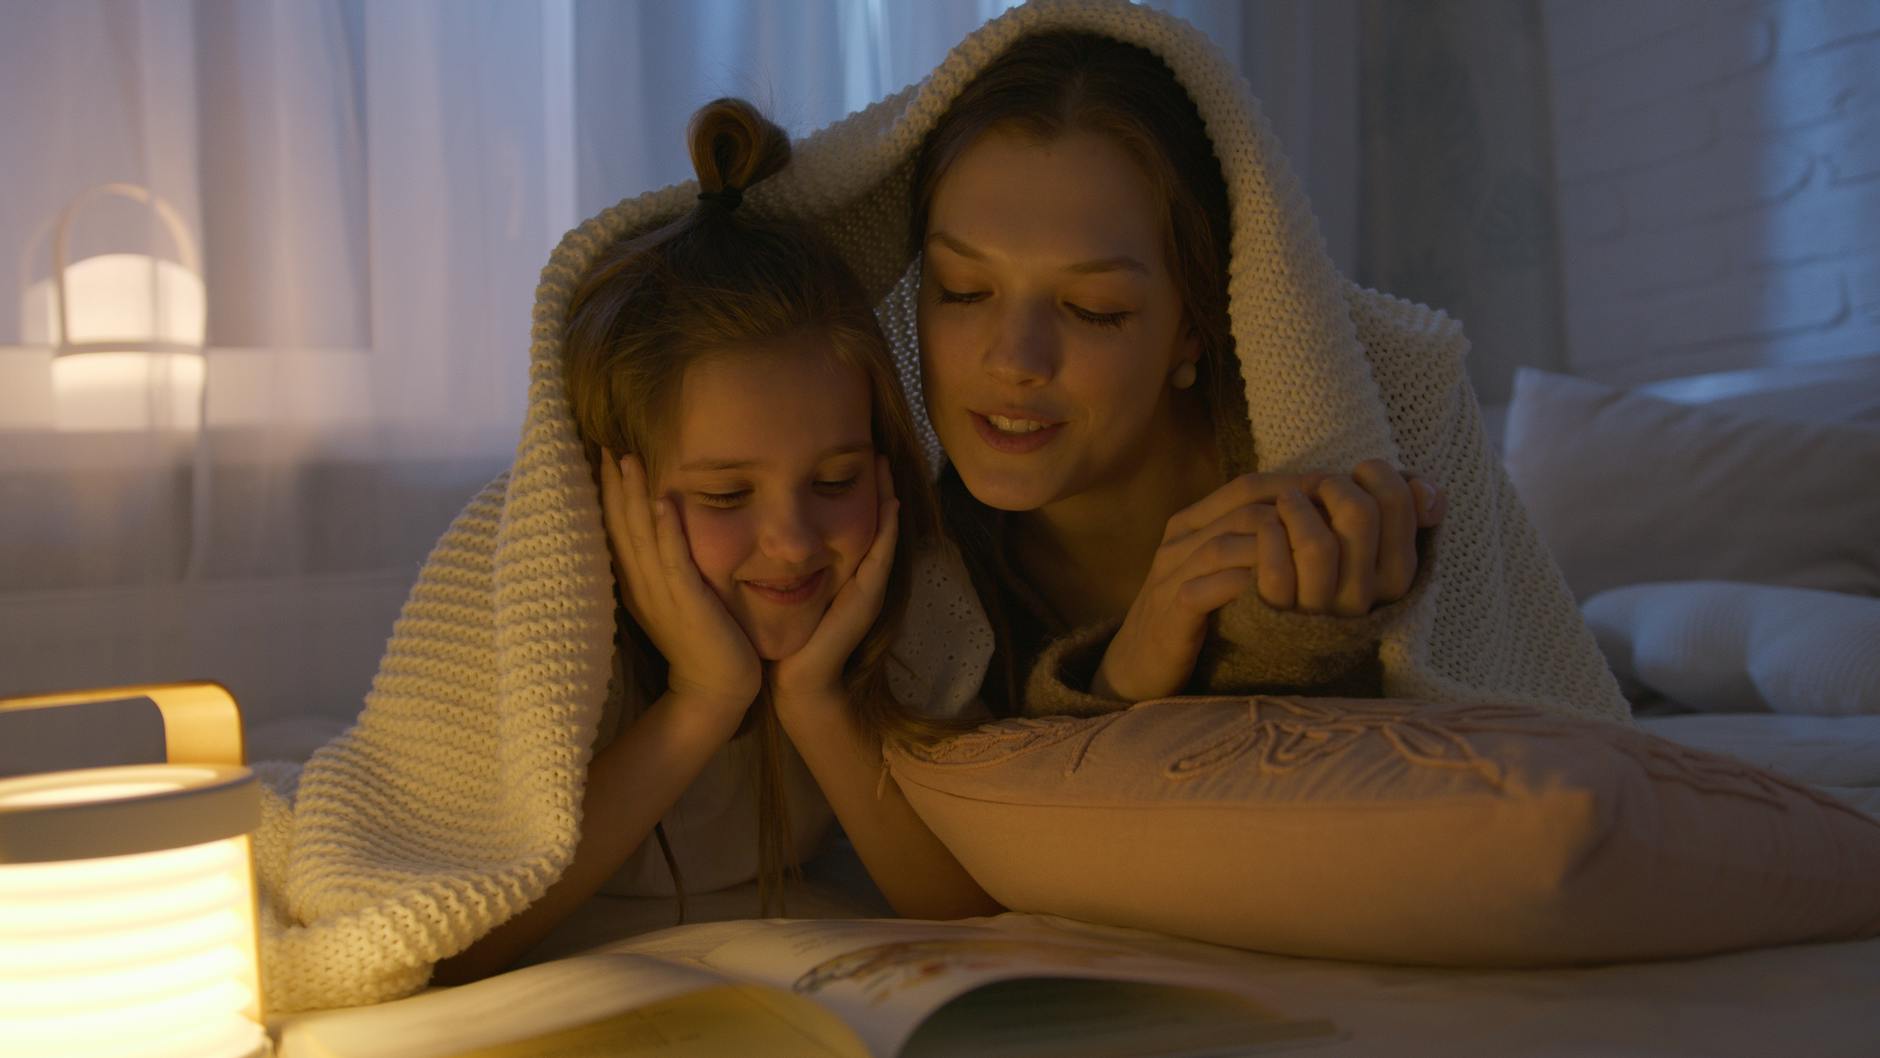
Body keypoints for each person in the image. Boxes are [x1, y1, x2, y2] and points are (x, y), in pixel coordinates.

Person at [430, 98, 1001, 983]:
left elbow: (969, 913)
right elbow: (456, 939)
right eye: (726, 494)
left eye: (838, 480)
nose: (793, 541)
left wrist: (813, 704)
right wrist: (703, 699)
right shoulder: (551, 610)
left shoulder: (908, 597)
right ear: (612, 490)